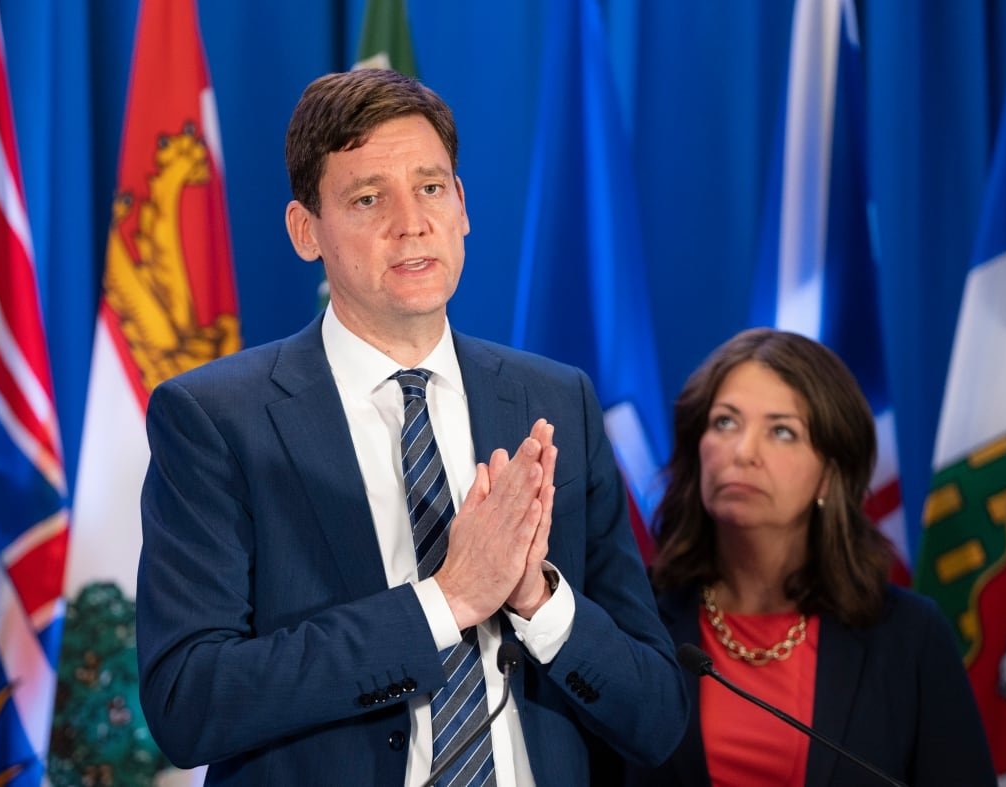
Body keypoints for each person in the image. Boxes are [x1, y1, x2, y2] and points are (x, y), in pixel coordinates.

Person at [136, 68, 686, 785]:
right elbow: (190, 702)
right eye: (368, 198)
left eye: (430, 187)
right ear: (308, 232)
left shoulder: (557, 401)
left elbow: (657, 715)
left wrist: (537, 599)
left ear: (462, 206)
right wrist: (448, 599)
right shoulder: (216, 419)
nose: (411, 222)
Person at [628, 328, 996, 786]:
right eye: (725, 422)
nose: (743, 453)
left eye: (782, 432)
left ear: (830, 476)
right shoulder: (635, 616)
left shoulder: (910, 636)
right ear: (696, 446)